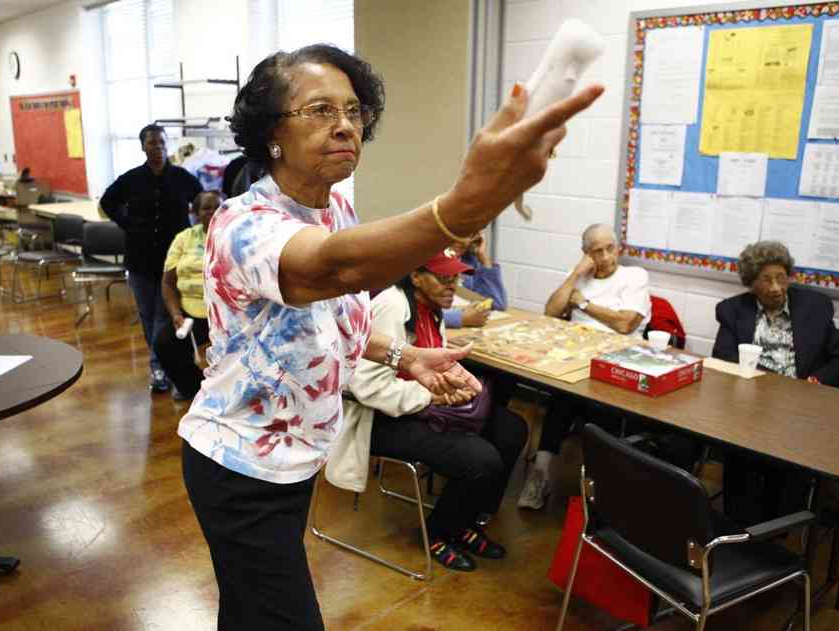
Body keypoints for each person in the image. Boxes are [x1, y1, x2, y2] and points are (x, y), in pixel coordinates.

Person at [176, 43, 602, 631]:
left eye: (353, 110)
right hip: (239, 468)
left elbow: (330, 318)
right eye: (320, 110)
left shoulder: (334, 211)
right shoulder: (242, 226)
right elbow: (337, 270)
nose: (345, 124)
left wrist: (403, 355)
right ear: (271, 133)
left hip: (292, 461)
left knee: (249, 610)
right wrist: (467, 202)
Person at [328, 250, 527, 572]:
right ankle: (438, 533)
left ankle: (467, 519)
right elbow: (368, 388)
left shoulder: (431, 306)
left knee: (511, 430)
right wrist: (430, 397)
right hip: (380, 419)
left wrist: (446, 387)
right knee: (480, 459)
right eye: (444, 277)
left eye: (456, 277)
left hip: (419, 408)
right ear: (417, 277)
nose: (453, 285)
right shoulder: (394, 306)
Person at [713, 240, 839, 525]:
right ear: (752, 282)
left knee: (792, 460)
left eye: (781, 277)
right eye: (766, 279)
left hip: (802, 409)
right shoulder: (732, 310)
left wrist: (814, 382)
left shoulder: (816, 308)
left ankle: (779, 528)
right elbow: (723, 357)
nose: (776, 287)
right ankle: (740, 526)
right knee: (739, 452)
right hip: (749, 406)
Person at [518, 223, 652, 510]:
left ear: (618, 248)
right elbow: (551, 312)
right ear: (585, 254)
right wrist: (576, 275)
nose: (605, 257)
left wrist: (585, 303)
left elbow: (626, 323)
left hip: (618, 362)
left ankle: (601, 490)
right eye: (596, 251)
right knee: (561, 398)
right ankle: (539, 474)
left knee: (598, 411)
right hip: (576, 358)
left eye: (609, 249)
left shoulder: (635, 276)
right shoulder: (579, 277)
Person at [100, 124, 203, 393]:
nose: (157, 148)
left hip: (174, 263)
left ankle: (168, 367)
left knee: (168, 316)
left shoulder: (182, 177)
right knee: (148, 316)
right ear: (143, 147)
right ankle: (159, 365)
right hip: (141, 259)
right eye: (152, 144)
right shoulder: (131, 179)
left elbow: (204, 201)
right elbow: (107, 202)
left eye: (161, 143)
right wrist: (128, 223)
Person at [153, 190, 220, 401]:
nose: (213, 212)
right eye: (206, 208)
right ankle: (195, 391)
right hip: (190, 312)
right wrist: (175, 313)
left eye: (217, 207)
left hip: (223, 313)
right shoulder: (184, 238)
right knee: (164, 343)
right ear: (196, 213)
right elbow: (167, 282)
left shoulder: (232, 235)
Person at [442, 231, 508, 329]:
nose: (462, 241)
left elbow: (497, 304)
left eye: (470, 235)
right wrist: (461, 318)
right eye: (455, 232)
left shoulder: (468, 261)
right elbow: (415, 315)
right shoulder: (424, 260)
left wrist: (483, 258)